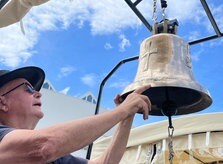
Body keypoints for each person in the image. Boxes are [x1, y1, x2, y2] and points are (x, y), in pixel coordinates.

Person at [0, 66, 152, 163]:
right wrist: (121, 111)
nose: (38, 93)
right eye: (28, 88)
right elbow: (43, 147)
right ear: (2, 103)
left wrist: (126, 116)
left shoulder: (54, 158)